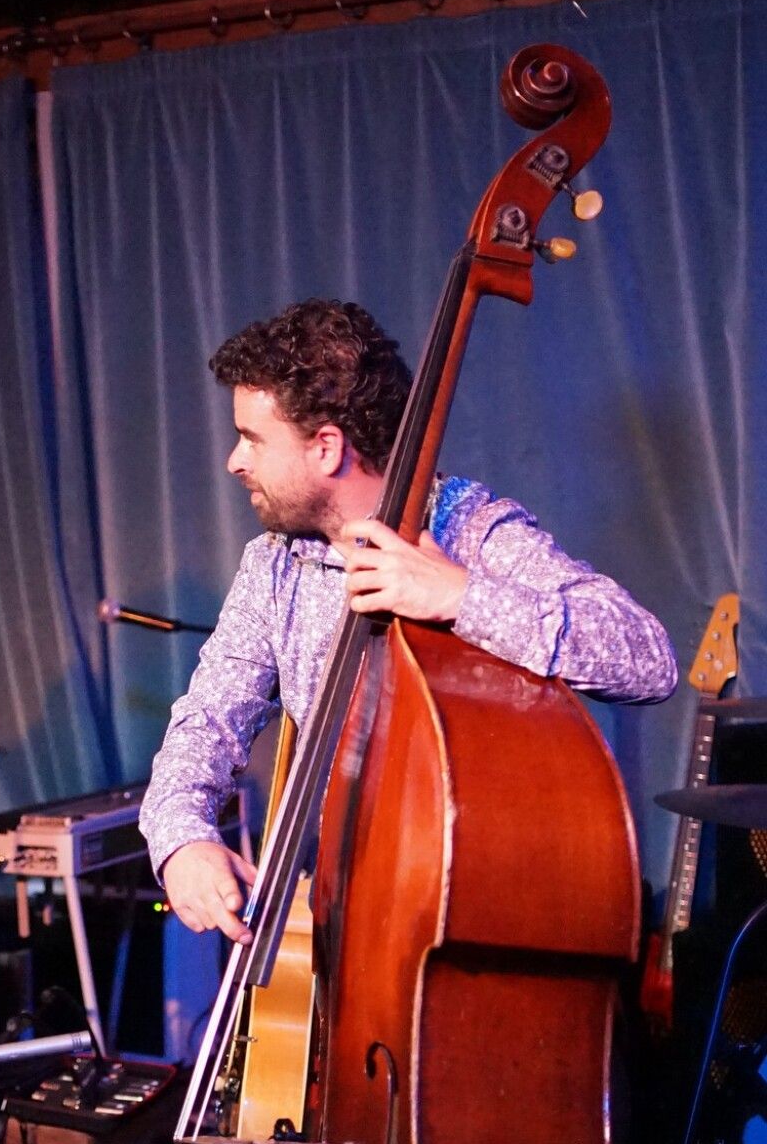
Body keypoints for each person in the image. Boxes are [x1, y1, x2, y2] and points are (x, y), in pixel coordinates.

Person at [139, 298, 678, 944]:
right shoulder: (274, 565)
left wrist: (461, 596)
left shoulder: (471, 531)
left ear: (326, 448)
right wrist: (182, 841)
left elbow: (648, 660)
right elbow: (207, 721)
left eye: (253, 438)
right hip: (353, 921)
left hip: (486, 919)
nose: (235, 460)